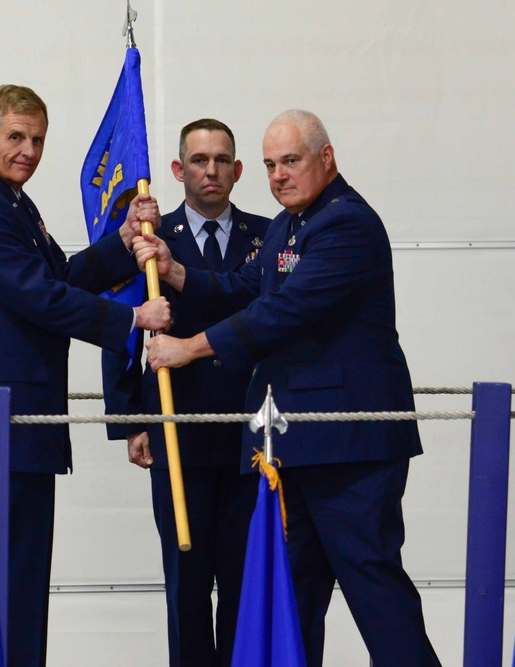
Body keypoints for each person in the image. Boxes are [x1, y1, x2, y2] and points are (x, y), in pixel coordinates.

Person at [135, 110, 441, 666]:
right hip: (293, 451)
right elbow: (242, 289)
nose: (278, 175)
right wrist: (174, 269)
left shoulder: (347, 224)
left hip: (351, 451)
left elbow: (282, 312)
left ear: (327, 158)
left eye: (291, 161)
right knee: (288, 607)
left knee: (376, 596)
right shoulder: (288, 224)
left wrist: (188, 347)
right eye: (272, 164)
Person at [0, 84, 170, 666]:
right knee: (1, 587)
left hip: (23, 420)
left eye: (37, 139)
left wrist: (120, 244)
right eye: (15, 137)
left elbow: (60, 277)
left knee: (23, 585)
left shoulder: (14, 201)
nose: (27, 150)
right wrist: (133, 318)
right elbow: (39, 298)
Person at [102, 118, 270, 666]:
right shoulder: (151, 241)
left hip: (252, 437)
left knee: (248, 583)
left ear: (238, 170)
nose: (211, 170)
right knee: (188, 585)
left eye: (222, 160)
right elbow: (121, 328)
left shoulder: (267, 239)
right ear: (178, 169)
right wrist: (129, 421)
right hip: (178, 435)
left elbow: (268, 320)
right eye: (199, 160)